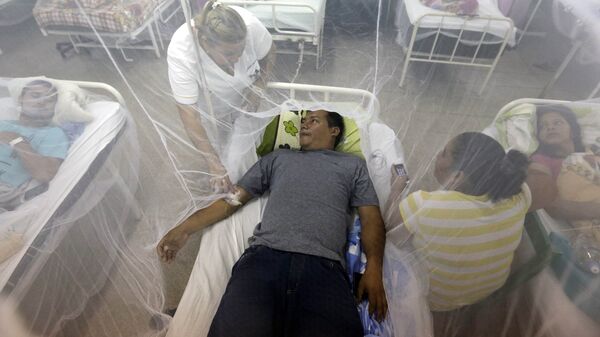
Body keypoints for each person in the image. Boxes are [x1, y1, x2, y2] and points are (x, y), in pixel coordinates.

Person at [158, 110, 388, 336]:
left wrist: (374, 269)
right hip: (264, 260)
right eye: (303, 120)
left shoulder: (352, 165)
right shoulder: (278, 158)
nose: (303, 124)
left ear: (334, 131)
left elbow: (371, 217)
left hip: (324, 269)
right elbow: (231, 201)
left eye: (313, 120)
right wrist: (185, 228)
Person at [385, 132, 531, 336]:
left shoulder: (426, 204)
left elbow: (390, 232)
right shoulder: (519, 195)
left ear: (458, 176)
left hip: (437, 299)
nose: (438, 154)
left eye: (444, 153)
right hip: (485, 290)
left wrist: (396, 188)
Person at [167, 0, 275, 192]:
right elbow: (188, 113)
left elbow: (269, 52)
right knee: (220, 147)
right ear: (206, 44)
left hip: (247, 86)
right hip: (212, 100)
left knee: (249, 136)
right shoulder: (182, 53)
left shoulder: (250, 26)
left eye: (241, 51)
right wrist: (213, 163)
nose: (237, 58)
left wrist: (259, 86)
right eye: (229, 54)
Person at [0, 80, 69, 211]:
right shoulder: (2, 124)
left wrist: (16, 140)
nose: (41, 102)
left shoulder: (54, 134)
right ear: (21, 99)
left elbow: (44, 173)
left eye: (49, 100)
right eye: (35, 96)